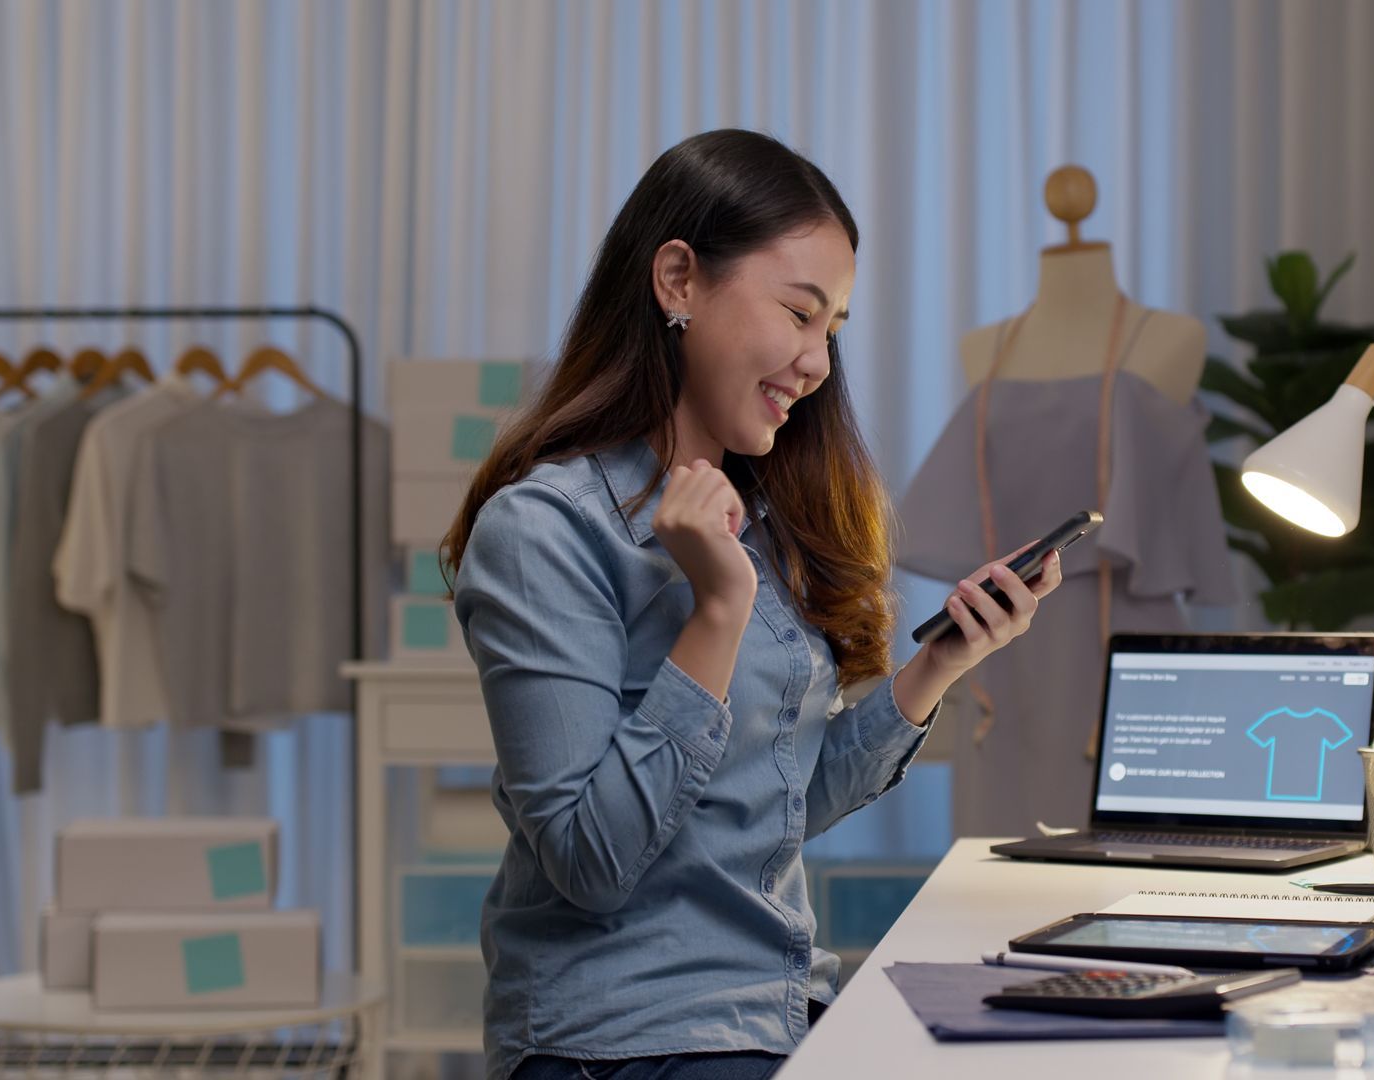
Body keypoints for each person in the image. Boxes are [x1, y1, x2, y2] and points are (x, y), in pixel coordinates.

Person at [441, 129, 1062, 1080]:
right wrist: (716, 610)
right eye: (799, 313)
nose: (817, 363)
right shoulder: (544, 533)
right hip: (622, 1039)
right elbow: (590, 862)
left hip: (773, 1009)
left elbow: (772, 804)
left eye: (835, 331)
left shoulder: (758, 520)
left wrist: (940, 664)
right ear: (678, 280)